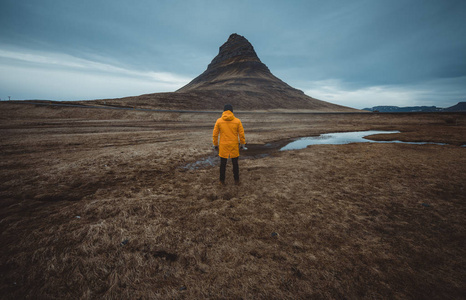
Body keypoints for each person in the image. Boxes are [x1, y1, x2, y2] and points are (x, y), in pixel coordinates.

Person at [212, 104, 246, 185]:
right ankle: (236, 180)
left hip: (223, 146)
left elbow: (215, 134)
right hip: (234, 145)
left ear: (224, 111)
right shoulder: (237, 121)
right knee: (235, 164)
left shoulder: (219, 121)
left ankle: (221, 181)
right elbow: (241, 134)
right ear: (232, 111)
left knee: (223, 164)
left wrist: (215, 144)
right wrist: (242, 144)